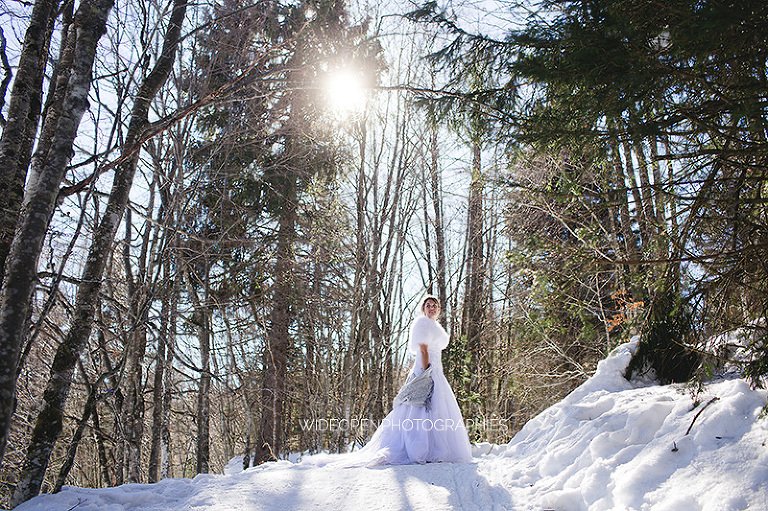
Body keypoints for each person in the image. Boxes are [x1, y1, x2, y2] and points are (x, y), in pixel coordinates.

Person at [351, 294, 473, 465]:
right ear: (423, 309)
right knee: (419, 407)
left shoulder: (435, 326)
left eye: (434, 305)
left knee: (436, 409)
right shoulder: (422, 324)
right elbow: (423, 350)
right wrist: (426, 372)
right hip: (426, 369)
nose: (432, 308)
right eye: (428, 305)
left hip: (436, 370)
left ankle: (435, 449)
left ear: (438, 309)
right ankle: (418, 448)